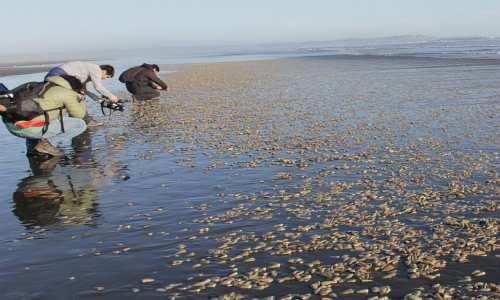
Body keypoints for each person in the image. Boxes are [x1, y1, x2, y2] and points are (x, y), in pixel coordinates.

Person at [0, 74, 87, 157]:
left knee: (34, 116)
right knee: (80, 124)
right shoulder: (67, 92)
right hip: (31, 130)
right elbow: (78, 116)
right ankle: (48, 144)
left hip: (12, 127)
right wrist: (82, 99)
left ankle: (32, 149)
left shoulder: (37, 86)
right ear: (75, 88)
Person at [45, 61, 119, 127]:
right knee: (74, 98)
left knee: (77, 96)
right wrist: (111, 96)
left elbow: (87, 89)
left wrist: (98, 99)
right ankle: (85, 121)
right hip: (59, 75)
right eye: (107, 77)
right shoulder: (96, 70)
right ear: (103, 71)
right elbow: (98, 87)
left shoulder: (90, 72)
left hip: (58, 75)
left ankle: (78, 121)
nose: (104, 79)